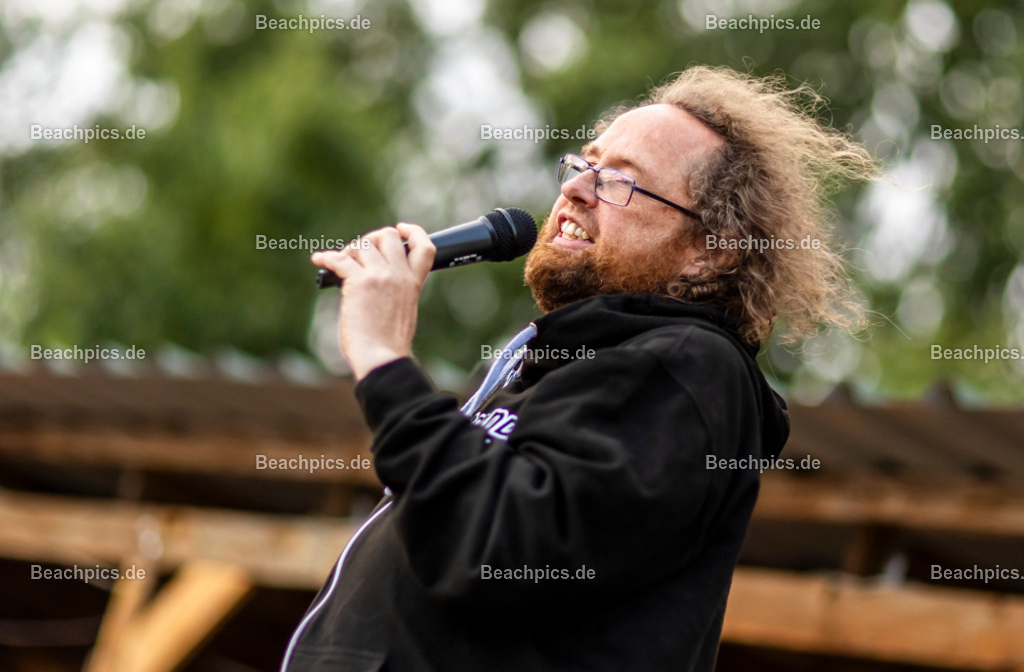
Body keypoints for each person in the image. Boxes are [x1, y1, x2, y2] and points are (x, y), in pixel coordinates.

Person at [282, 65, 875, 672]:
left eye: (620, 181)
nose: (577, 190)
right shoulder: (569, 369)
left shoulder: (688, 370)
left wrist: (385, 360)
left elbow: (502, 551)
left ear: (710, 251)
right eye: (583, 165)